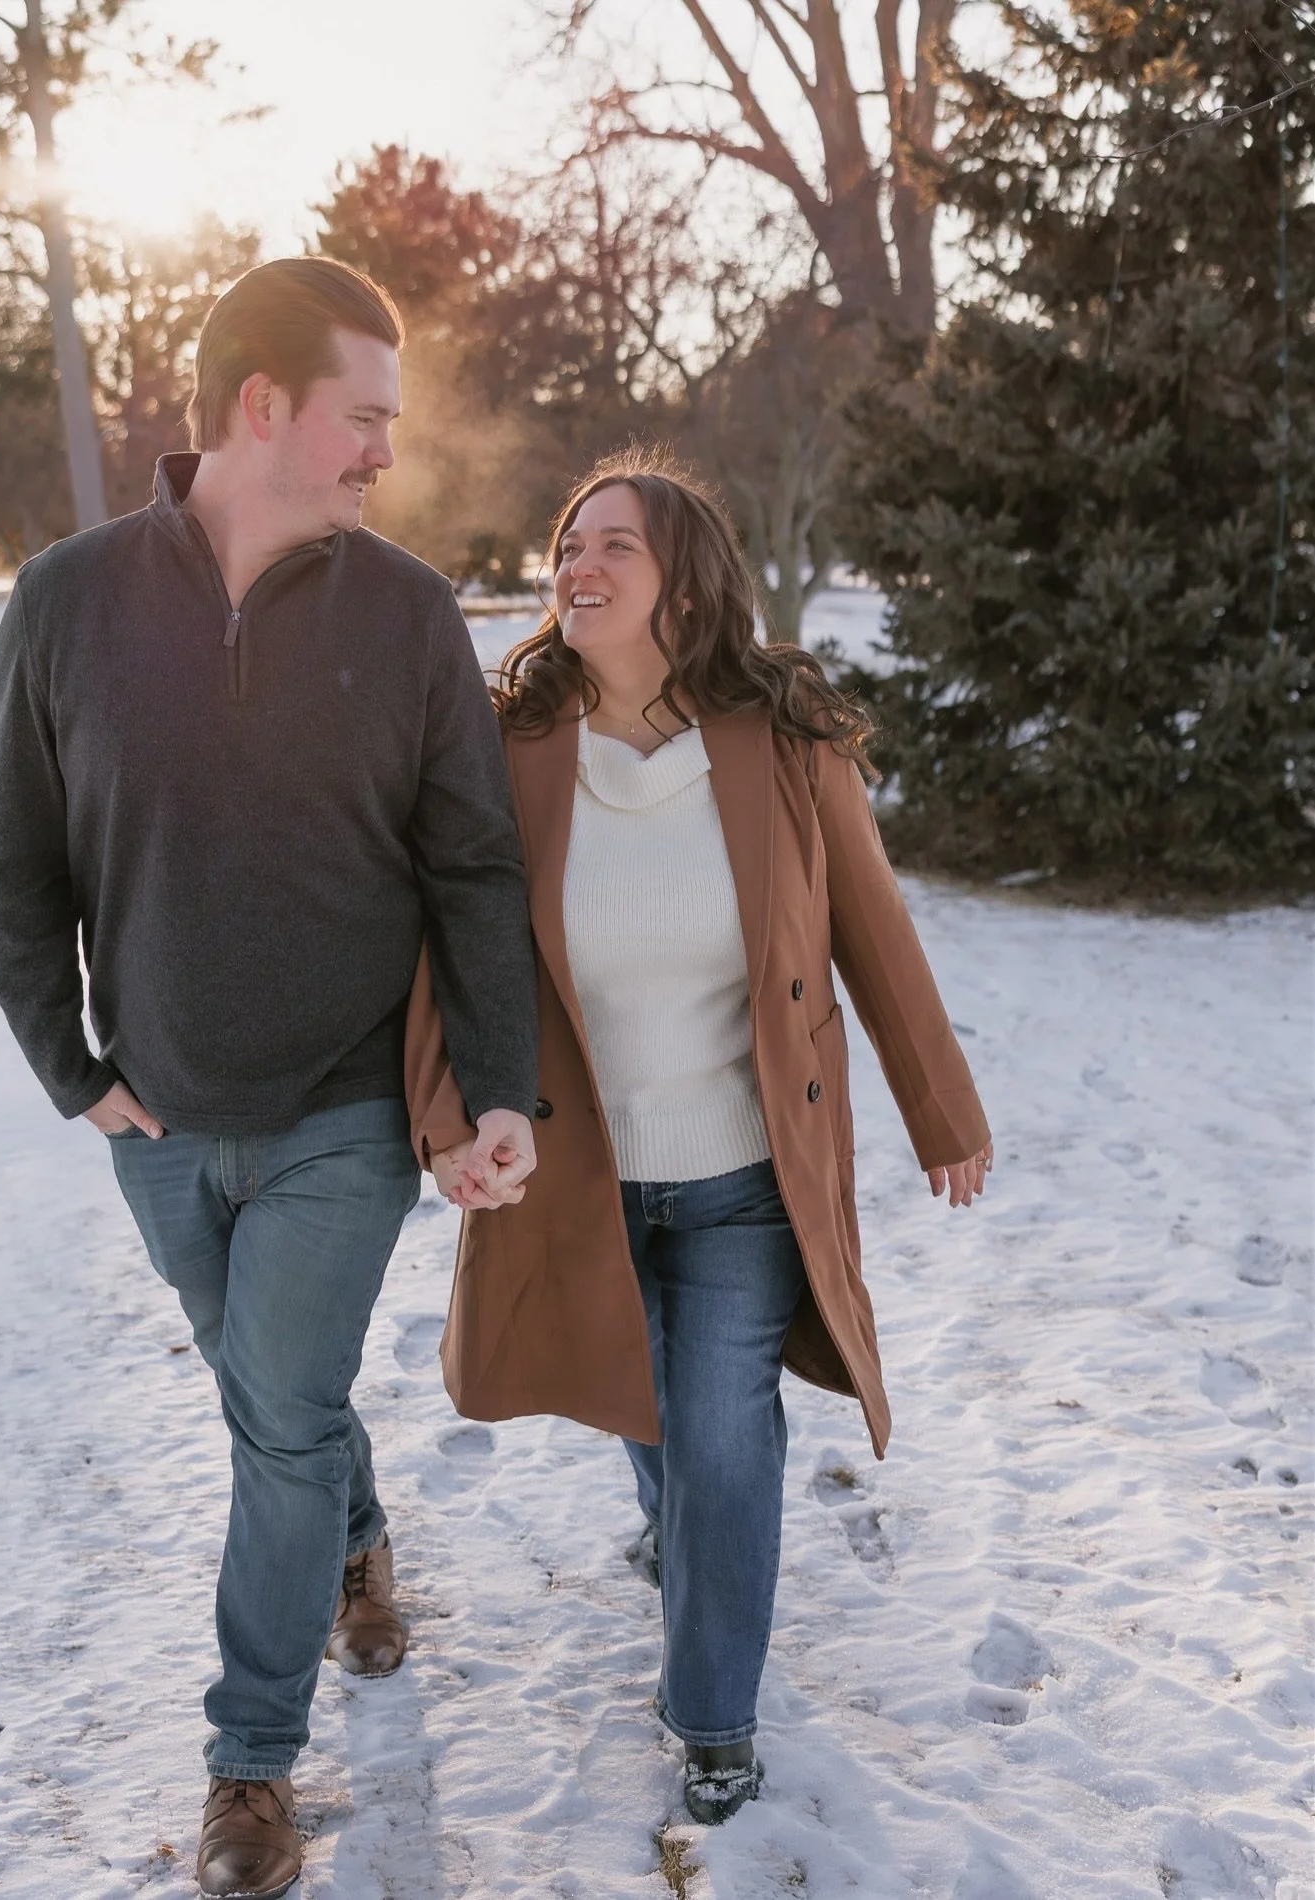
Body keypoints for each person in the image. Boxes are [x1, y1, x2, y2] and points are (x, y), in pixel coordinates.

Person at [0, 256, 539, 1900]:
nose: (384, 452)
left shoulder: (409, 609)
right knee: (275, 1403)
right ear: (260, 407)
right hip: (154, 1115)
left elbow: (475, 869)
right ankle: (358, 1546)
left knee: (276, 1420)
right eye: (365, 418)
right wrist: (68, 1069)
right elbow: (21, 859)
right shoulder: (68, 599)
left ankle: (247, 1765)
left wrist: (497, 1084)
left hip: (345, 1109)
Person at [406, 452, 991, 1827]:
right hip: (584, 1174)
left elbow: (874, 930)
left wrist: (942, 1109)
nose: (578, 567)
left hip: (742, 1174)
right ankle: (682, 1536)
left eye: (614, 545)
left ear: (685, 582)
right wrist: (446, 1119)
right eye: (568, 547)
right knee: (643, 1394)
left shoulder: (783, 739)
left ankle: (713, 1711)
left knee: (723, 1430)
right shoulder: (512, 751)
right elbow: (451, 950)